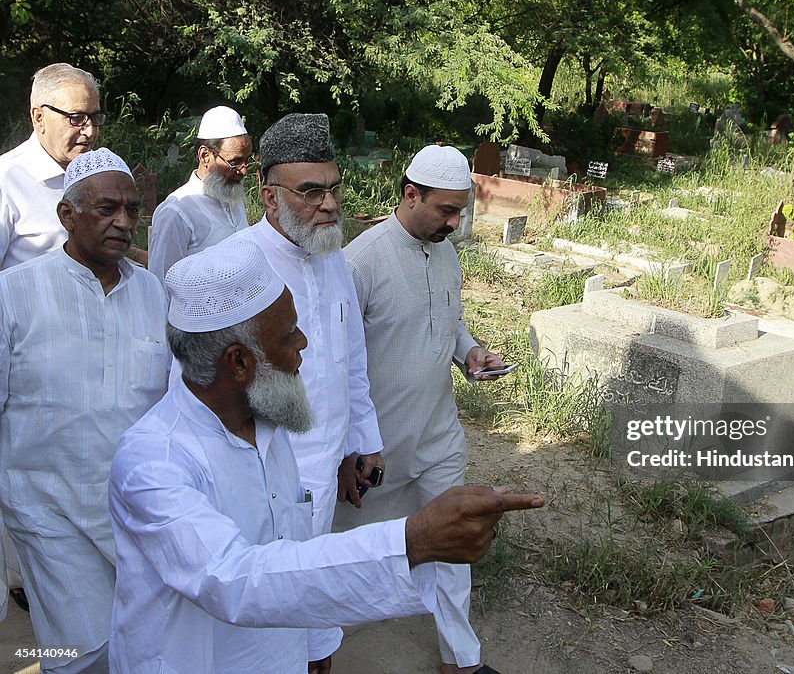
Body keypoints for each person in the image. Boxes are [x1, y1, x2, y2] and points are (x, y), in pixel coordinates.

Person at [107, 241, 543, 673]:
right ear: (238, 362)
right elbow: (234, 578)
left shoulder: (268, 423)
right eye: (287, 335)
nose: (304, 343)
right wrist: (413, 540)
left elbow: (292, 546)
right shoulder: (154, 461)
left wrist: (314, 641)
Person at [337, 145, 509, 674]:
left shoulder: (446, 251)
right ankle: (313, 650)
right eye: (446, 211)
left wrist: (469, 352)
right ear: (411, 194)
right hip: (377, 445)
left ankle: (461, 659)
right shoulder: (360, 262)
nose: (455, 224)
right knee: (348, 555)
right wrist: (352, 448)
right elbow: (340, 365)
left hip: (439, 432)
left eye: (461, 211)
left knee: (454, 538)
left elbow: (448, 320)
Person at [0, 148, 169, 673]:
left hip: (135, 512)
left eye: (132, 210)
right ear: (66, 216)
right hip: (46, 508)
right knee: (80, 653)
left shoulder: (155, 295)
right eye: (106, 209)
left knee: (141, 644)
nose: (123, 222)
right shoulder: (14, 293)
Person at [221, 113, 383, 541]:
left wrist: (357, 443)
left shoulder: (333, 258)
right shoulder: (235, 265)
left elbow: (350, 360)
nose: (329, 204)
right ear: (270, 197)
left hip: (325, 472)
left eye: (333, 188)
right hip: (259, 483)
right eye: (311, 192)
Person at [0, 62, 146, 270]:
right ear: (38, 117)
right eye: (76, 118)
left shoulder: (103, 176)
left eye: (95, 118)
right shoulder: (6, 181)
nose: (89, 132)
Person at [148, 105, 253, 284]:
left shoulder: (232, 197)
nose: (243, 172)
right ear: (205, 155)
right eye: (235, 162)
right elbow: (160, 285)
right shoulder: (176, 211)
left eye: (246, 161)